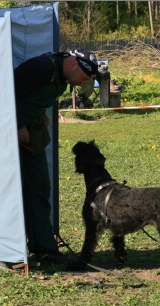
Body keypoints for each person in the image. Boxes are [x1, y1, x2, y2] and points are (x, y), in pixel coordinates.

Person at [14, 49, 98, 262]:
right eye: (84, 77)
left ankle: (44, 248)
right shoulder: (41, 68)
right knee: (13, 191)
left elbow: (32, 98)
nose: (83, 83)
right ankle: (11, 249)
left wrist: (41, 116)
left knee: (40, 187)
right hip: (10, 135)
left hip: (31, 137)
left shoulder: (62, 77)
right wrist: (19, 124)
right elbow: (6, 93)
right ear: (72, 64)